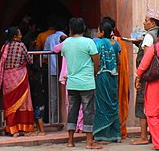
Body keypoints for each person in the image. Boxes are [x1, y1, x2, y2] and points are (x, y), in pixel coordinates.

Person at [62, 17, 101, 149]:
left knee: (72, 110)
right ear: (84, 28)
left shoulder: (66, 43)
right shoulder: (88, 42)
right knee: (88, 111)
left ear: (70, 29)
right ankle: (89, 141)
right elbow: (97, 61)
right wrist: (94, 73)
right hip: (87, 82)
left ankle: (70, 140)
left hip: (72, 82)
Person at [126, 7, 159, 145]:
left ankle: (143, 136)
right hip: (158, 76)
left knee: (142, 104)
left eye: (146, 21)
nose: (144, 23)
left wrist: (139, 76)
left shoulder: (148, 36)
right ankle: (155, 135)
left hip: (147, 75)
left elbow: (148, 56)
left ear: (153, 23)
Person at [0, 26, 35, 136]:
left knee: (10, 103)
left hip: (7, 78)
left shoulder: (4, 47)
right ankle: (24, 128)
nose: (21, 36)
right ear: (15, 37)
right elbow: (29, 59)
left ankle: (12, 129)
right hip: (20, 77)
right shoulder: (21, 45)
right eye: (20, 34)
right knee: (24, 103)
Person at [93, 21, 121, 142]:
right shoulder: (116, 44)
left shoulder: (98, 43)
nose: (97, 33)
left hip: (102, 76)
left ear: (103, 32)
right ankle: (116, 134)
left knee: (102, 104)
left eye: (98, 30)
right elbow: (118, 61)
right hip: (113, 76)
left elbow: (96, 60)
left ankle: (102, 134)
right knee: (113, 104)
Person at [44, 24, 66, 123]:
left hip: (52, 69)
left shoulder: (49, 38)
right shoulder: (68, 39)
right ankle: (65, 119)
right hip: (65, 71)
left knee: (53, 95)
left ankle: (54, 119)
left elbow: (45, 55)